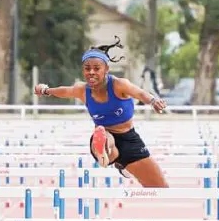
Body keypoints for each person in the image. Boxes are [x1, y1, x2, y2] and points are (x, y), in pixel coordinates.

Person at [34, 36, 169, 187]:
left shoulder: (119, 84)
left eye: (96, 68)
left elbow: (140, 93)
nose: (91, 72)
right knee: (104, 136)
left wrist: (153, 101)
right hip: (105, 137)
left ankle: (120, 163)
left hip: (129, 139)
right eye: (87, 68)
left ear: (106, 69)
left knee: (161, 187)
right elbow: (64, 91)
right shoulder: (82, 90)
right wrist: (45, 90)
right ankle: (106, 153)